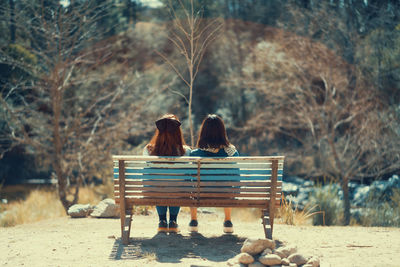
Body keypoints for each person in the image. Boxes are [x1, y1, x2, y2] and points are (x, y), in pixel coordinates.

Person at [189, 114, 239, 233]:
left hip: (200, 194)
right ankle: (228, 221)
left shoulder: (195, 154)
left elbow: (189, 178)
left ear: (203, 132)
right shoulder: (231, 152)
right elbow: (236, 178)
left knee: (192, 187)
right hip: (225, 194)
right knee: (228, 185)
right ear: (222, 132)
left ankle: (193, 221)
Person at [143, 114, 191, 233]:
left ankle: (162, 221)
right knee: (176, 185)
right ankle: (173, 221)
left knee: (159, 184)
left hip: (155, 192)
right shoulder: (185, 151)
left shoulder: (148, 150)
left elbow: (147, 176)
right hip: (178, 192)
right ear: (178, 132)